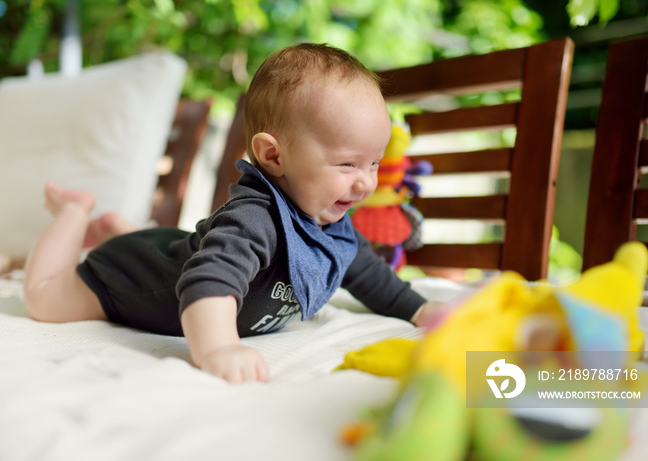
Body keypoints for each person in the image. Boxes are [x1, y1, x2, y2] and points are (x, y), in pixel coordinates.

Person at [23, 43, 446, 384]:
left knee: (172, 244)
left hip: (170, 247)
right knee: (42, 298)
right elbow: (209, 281)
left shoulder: (325, 218)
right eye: (347, 165)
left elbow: (366, 271)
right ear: (273, 155)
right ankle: (74, 213)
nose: (366, 183)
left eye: (373, 164)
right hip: (131, 276)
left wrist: (420, 310)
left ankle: (119, 228)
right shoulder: (254, 219)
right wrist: (219, 347)